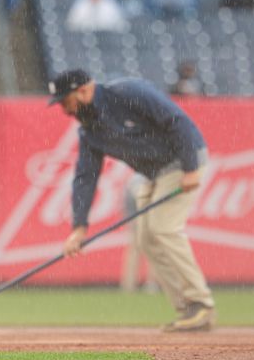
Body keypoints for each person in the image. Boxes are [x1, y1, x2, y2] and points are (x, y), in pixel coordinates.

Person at [50, 69, 215, 332]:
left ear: (82, 90)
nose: (63, 109)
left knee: (164, 229)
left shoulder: (127, 92)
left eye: (64, 101)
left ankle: (200, 303)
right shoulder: (89, 130)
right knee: (146, 239)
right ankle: (187, 308)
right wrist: (79, 227)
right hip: (154, 174)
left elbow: (176, 120)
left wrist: (191, 167)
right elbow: (85, 177)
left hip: (182, 163)